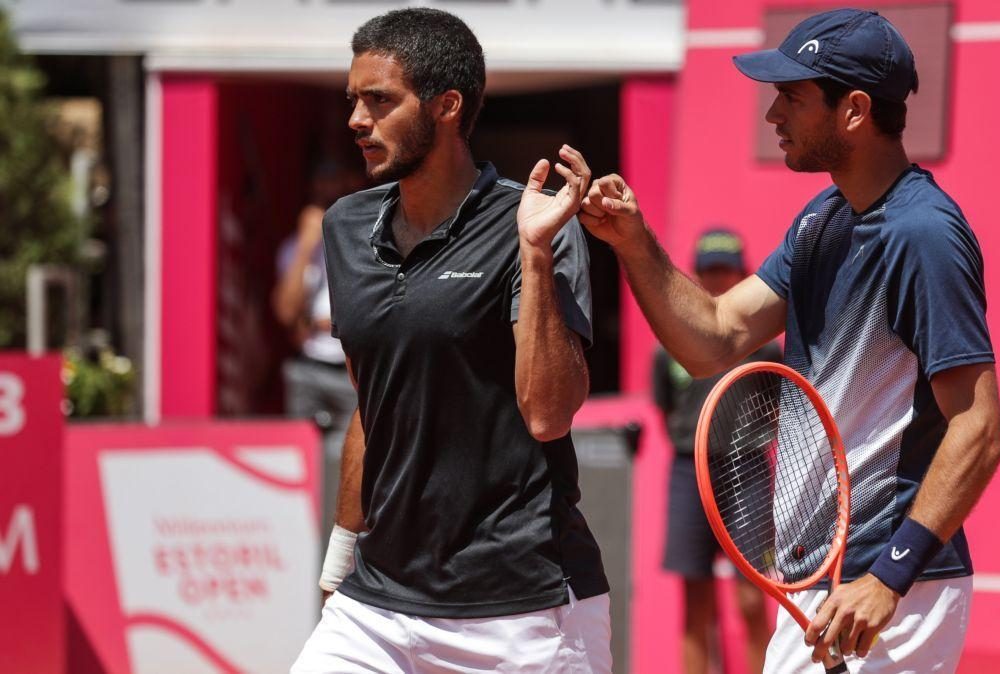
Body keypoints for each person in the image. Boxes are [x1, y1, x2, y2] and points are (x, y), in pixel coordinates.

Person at [578, 9, 1000, 673]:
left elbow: (978, 429)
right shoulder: (820, 219)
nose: (773, 114)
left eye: (792, 97)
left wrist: (886, 578)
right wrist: (632, 242)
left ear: (854, 111)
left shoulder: (922, 235)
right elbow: (715, 339)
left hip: (886, 593)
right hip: (818, 586)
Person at [290, 8, 611, 673]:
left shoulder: (538, 223)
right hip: (375, 606)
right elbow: (372, 403)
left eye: (378, 101)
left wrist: (531, 252)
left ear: (446, 105)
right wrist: (340, 559)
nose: (356, 120)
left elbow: (548, 412)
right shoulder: (346, 227)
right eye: (353, 99)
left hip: (524, 612)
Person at [652, 228, 777, 674]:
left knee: (750, 598)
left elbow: (782, 407)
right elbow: (665, 406)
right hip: (689, 471)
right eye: (709, 270)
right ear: (697, 275)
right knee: (696, 604)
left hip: (749, 471)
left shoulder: (766, 345)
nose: (717, 278)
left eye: (725, 269)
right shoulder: (671, 345)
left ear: (742, 274)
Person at [272, 158, 362, 544]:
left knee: (351, 467)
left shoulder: (365, 240)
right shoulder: (297, 247)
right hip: (309, 367)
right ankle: (298, 539)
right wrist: (308, 244)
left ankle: (343, 542)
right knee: (299, 462)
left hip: (352, 370)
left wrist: (324, 322)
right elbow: (287, 314)